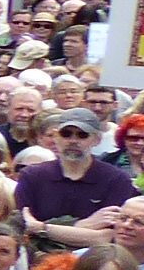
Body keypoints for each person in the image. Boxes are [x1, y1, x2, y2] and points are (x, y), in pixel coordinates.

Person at [20, 108, 131, 254]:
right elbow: (23, 229)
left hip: (93, 264)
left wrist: (41, 228)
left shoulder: (117, 179)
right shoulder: (32, 176)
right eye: (66, 134)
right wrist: (82, 225)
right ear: (56, 137)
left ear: (97, 139)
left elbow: (105, 238)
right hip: (37, 260)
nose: (73, 141)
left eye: (82, 135)